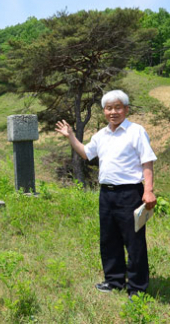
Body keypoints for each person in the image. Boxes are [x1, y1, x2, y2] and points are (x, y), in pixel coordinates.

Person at [55, 89, 157, 298]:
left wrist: (148, 190)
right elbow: (85, 153)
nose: (113, 112)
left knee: (134, 242)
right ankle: (114, 281)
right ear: (104, 111)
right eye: (109, 108)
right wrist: (71, 137)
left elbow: (147, 161)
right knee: (109, 239)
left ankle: (137, 289)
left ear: (126, 109)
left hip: (130, 193)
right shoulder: (101, 135)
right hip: (106, 194)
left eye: (118, 107)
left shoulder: (136, 131)